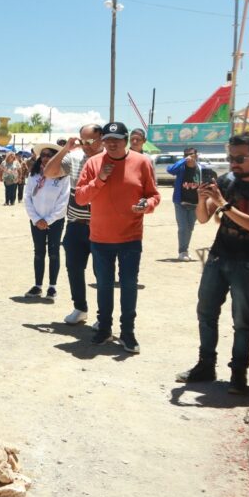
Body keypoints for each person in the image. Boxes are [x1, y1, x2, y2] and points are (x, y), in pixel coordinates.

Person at [176, 132, 249, 394]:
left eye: (240, 158)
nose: (233, 163)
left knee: (242, 321)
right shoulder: (226, 180)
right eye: (230, 158)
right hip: (218, 257)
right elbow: (204, 218)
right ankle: (206, 366)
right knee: (206, 313)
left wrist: (222, 203)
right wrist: (202, 199)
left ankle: (238, 375)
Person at [75, 121, 160, 354]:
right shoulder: (94, 163)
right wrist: (100, 179)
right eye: (108, 140)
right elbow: (81, 198)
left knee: (129, 285)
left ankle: (127, 332)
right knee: (103, 286)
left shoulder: (142, 162)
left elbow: (153, 195)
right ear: (102, 142)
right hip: (100, 238)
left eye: (117, 140)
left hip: (130, 237)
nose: (112, 144)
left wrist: (146, 205)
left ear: (126, 141)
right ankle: (104, 328)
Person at [44, 123, 105, 325]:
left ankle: (104, 316)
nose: (86, 145)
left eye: (91, 141)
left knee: (102, 272)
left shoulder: (109, 159)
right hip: (75, 224)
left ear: (101, 139)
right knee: (74, 268)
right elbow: (49, 172)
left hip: (101, 225)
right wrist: (65, 149)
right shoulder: (75, 157)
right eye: (83, 141)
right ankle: (80, 308)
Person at [24, 144, 70, 298]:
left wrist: (48, 220)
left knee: (54, 253)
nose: (45, 158)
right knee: (39, 253)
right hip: (36, 220)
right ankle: (38, 285)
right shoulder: (34, 175)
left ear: (57, 157)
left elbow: (63, 201)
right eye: (43, 155)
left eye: (49, 155)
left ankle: (52, 286)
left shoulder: (63, 177)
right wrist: (36, 219)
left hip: (55, 221)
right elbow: (27, 198)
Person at [166, 147, 211, 261]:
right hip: (180, 203)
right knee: (183, 227)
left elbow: (208, 182)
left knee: (190, 228)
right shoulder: (181, 168)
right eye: (186, 155)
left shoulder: (201, 168)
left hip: (195, 204)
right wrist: (183, 161)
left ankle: (185, 249)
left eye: (191, 154)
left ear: (196, 155)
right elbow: (170, 170)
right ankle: (182, 251)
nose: (189, 156)